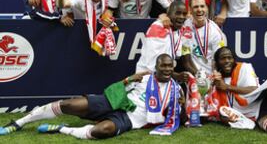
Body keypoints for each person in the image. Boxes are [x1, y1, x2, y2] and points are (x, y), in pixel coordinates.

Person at [0, 54, 183, 139]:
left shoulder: (176, 90)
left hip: (129, 118)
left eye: (170, 66)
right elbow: (112, 91)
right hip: (113, 103)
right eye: (163, 66)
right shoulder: (143, 77)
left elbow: (176, 118)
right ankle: (19, 123)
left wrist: (181, 106)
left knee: (102, 131)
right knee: (69, 105)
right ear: (156, 66)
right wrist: (127, 80)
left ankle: (62, 129)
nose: (167, 69)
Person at [136, 1, 191, 84]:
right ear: (168, 14)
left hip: (166, 79)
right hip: (147, 80)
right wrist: (177, 76)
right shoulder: (158, 28)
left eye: (184, 14)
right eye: (178, 13)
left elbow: (185, 57)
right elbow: (155, 66)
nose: (181, 17)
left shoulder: (180, 31)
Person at [181, 0, 225, 77]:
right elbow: (186, 58)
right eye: (195, 7)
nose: (199, 10)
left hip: (211, 75)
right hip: (193, 74)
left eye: (202, 6)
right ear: (190, 9)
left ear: (207, 8)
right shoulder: (185, 26)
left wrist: (210, 78)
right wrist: (198, 76)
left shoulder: (215, 32)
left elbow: (218, 61)